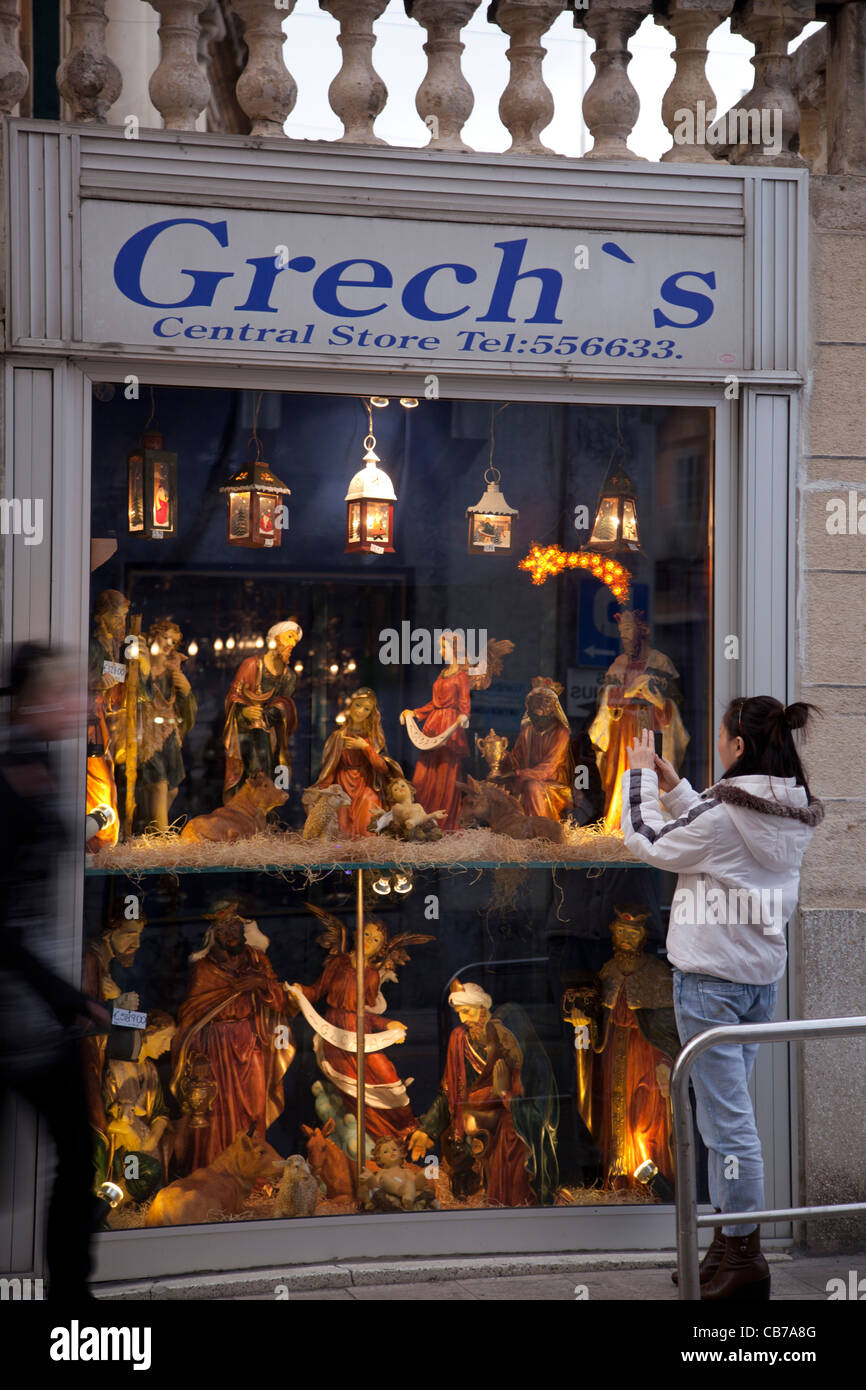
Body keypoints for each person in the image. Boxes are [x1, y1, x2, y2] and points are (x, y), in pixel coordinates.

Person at [621, 699, 824, 1301]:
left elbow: (652, 841)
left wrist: (634, 775)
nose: (716, 744)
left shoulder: (721, 816)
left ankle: (744, 1257)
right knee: (726, 1122)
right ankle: (728, 1247)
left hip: (709, 983)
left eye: (721, 737)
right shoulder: (787, 810)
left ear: (737, 747)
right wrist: (677, 785)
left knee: (727, 1128)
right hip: (757, 981)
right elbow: (724, 840)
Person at [0, 643, 112, 1302]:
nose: (85, 703)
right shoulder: (14, 775)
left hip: (33, 1010)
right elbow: (5, 928)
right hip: (21, 1014)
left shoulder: (38, 764)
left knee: (73, 1153)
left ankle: (72, 1298)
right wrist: (68, 998)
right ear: (39, 700)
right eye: (71, 692)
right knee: (74, 1152)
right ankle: (73, 1308)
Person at [408, 980, 559, 1208]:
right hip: (474, 1120)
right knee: (458, 1140)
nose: (462, 1019)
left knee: (510, 1140)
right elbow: (449, 1094)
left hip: (507, 1119)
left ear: (482, 1008)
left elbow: (528, 1091)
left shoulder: (509, 1039)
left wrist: (504, 1096)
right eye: (458, 1013)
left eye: (466, 1011)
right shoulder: (461, 1040)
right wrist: (427, 1129)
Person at [170, 899, 293, 1168]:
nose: (231, 935)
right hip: (217, 1045)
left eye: (234, 928)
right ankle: (219, 1171)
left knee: (254, 1108)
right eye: (224, 930)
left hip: (251, 1038)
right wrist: (198, 1054)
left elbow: (280, 1000)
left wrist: (261, 984)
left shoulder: (258, 959)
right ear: (215, 934)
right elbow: (192, 1014)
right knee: (219, 1112)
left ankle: (254, 1173)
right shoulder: (204, 969)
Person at [223, 620, 302, 797]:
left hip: (273, 734)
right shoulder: (252, 665)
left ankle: (267, 816)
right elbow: (233, 696)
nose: (292, 644)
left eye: (295, 641)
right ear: (274, 639)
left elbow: (285, 703)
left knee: (273, 771)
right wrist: (243, 711)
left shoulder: (288, 676)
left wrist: (276, 711)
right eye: (289, 637)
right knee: (253, 771)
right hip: (247, 733)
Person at [306, 688, 400, 836]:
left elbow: (383, 768)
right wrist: (322, 789)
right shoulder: (338, 736)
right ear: (350, 705)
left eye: (366, 708)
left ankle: (365, 852)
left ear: (371, 713)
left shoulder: (375, 738)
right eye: (358, 705)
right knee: (342, 827)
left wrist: (365, 747)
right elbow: (330, 767)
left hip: (366, 784)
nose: (360, 711)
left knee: (368, 822)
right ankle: (343, 853)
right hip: (343, 785)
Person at [496, 678, 574, 822]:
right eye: (536, 701)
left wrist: (519, 774)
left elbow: (549, 768)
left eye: (546, 702)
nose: (540, 706)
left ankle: (541, 830)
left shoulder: (560, 732)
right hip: (526, 778)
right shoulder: (528, 730)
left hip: (553, 784)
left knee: (532, 787)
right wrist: (500, 757)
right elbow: (516, 758)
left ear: (553, 708)